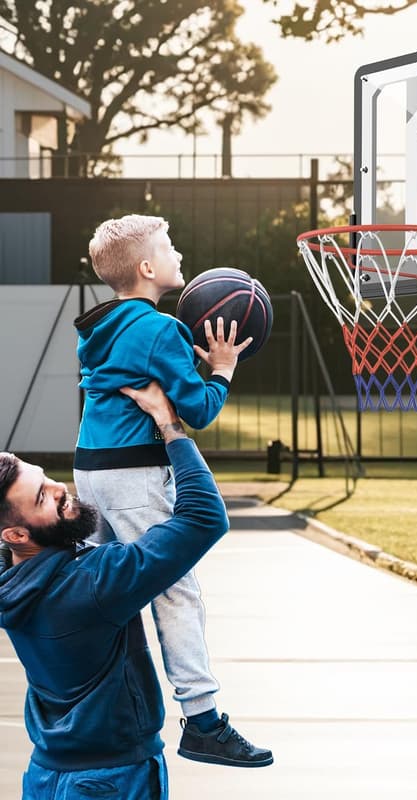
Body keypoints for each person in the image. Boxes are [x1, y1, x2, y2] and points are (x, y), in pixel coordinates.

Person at [0, 380, 272, 800]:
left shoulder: (11, 578)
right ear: (16, 533)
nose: (59, 489)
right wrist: (169, 425)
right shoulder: (93, 583)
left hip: (45, 776)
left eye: (47, 478)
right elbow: (204, 518)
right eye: (42, 498)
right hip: (109, 782)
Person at [71, 213, 270, 765]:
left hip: (90, 470)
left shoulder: (104, 325)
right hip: (132, 473)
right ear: (146, 266)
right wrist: (224, 368)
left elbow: (144, 371)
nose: (178, 253)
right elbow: (199, 411)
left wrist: (191, 363)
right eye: (169, 246)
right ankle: (204, 721)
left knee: (103, 591)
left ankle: (94, 701)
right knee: (174, 587)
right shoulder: (161, 328)